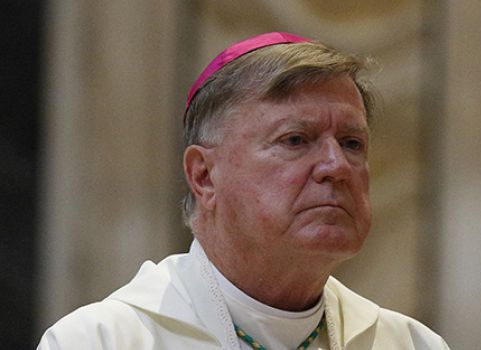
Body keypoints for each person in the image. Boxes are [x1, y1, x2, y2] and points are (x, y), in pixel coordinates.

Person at [38, 32, 450, 350]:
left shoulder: (408, 343)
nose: (336, 166)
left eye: (351, 143)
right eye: (295, 140)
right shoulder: (104, 339)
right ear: (203, 176)